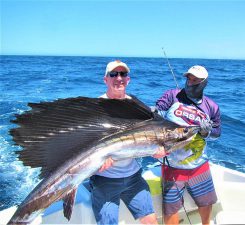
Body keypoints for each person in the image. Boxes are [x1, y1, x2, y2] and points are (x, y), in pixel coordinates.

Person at [90, 60, 164, 225]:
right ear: (106, 79)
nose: (119, 78)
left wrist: (157, 151)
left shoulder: (136, 105)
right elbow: (88, 144)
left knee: (152, 222)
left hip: (134, 177)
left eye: (123, 74)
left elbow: (150, 136)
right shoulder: (96, 107)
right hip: (104, 179)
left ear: (128, 79)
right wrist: (97, 163)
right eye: (113, 74)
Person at [155, 65, 221, 225]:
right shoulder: (173, 95)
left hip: (199, 165)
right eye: (188, 79)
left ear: (204, 83)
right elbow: (157, 111)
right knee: (170, 209)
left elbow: (217, 132)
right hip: (172, 165)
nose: (190, 83)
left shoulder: (212, 106)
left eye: (195, 80)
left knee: (206, 202)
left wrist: (207, 133)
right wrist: (155, 113)